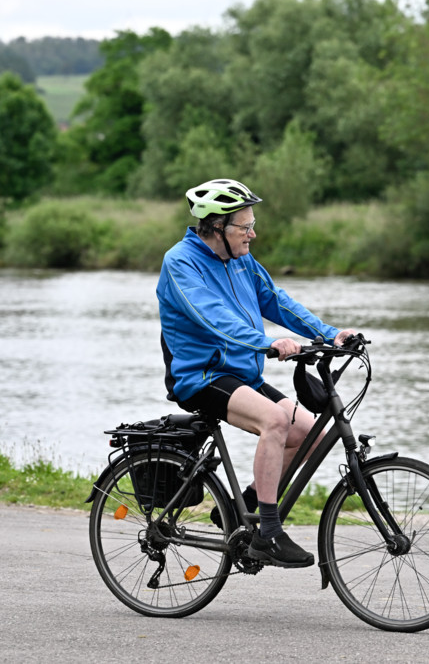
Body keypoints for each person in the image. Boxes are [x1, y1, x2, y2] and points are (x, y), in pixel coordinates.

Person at [156, 178, 356, 569]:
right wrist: (266, 342)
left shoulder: (242, 260)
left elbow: (277, 301)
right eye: (245, 227)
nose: (253, 234)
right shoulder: (180, 263)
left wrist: (330, 334)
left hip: (241, 374)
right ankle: (268, 532)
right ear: (217, 228)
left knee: (309, 434)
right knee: (276, 420)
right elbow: (213, 317)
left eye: (252, 225)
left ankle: (241, 507)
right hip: (200, 376)